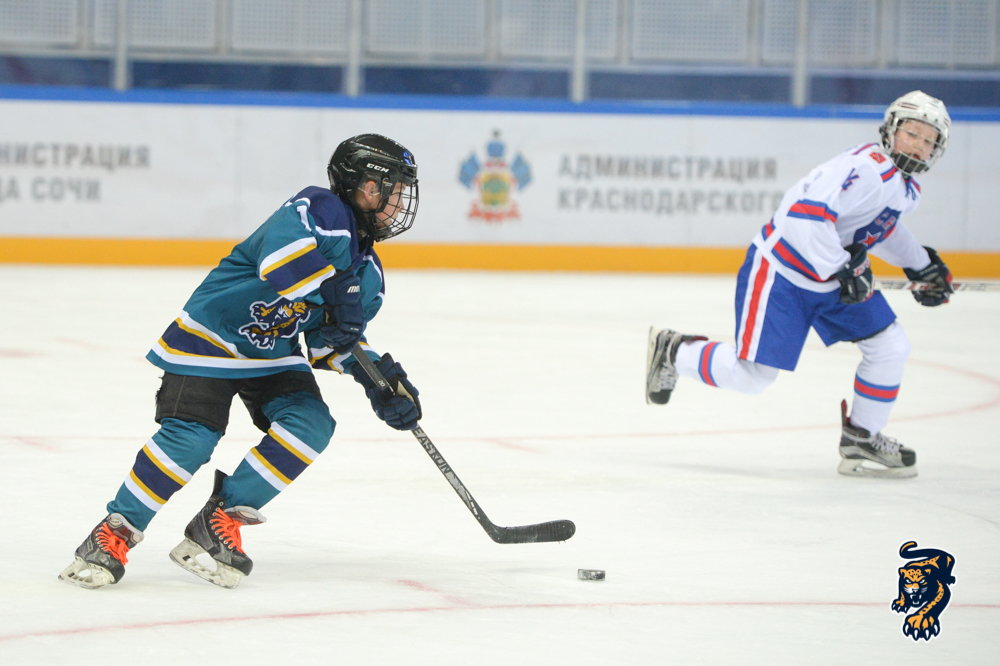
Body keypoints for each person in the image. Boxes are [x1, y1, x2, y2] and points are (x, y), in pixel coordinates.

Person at [60, 134, 424, 589]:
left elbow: (329, 341)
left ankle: (217, 522)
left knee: (311, 425)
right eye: (392, 191)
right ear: (362, 187)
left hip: (272, 353)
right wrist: (334, 291)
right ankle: (113, 533)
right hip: (211, 336)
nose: (399, 204)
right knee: (191, 439)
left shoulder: (368, 274)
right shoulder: (320, 210)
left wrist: (379, 378)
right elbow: (279, 262)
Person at [645, 91, 954, 479]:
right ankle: (675, 351)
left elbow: (881, 229)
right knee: (752, 377)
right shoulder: (869, 170)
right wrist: (843, 267)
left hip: (831, 279)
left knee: (891, 345)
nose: (919, 145)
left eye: (928, 140)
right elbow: (803, 216)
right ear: (891, 130)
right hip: (783, 275)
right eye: (912, 133)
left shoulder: (904, 188)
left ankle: (862, 436)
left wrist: (922, 266)